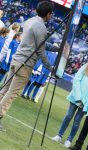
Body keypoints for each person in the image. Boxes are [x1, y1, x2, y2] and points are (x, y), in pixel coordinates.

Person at [0, 1, 54, 131]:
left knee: (5, 89)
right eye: (51, 14)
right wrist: (51, 68)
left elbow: (35, 42)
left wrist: (53, 47)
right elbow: (41, 51)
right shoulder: (41, 27)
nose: (51, 16)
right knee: (12, 93)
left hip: (17, 59)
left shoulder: (30, 21)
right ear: (48, 14)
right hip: (25, 64)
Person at [51, 51, 88, 148]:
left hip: (86, 102)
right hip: (76, 97)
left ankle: (69, 140)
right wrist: (78, 96)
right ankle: (59, 135)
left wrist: (85, 101)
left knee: (77, 121)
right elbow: (77, 79)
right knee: (68, 116)